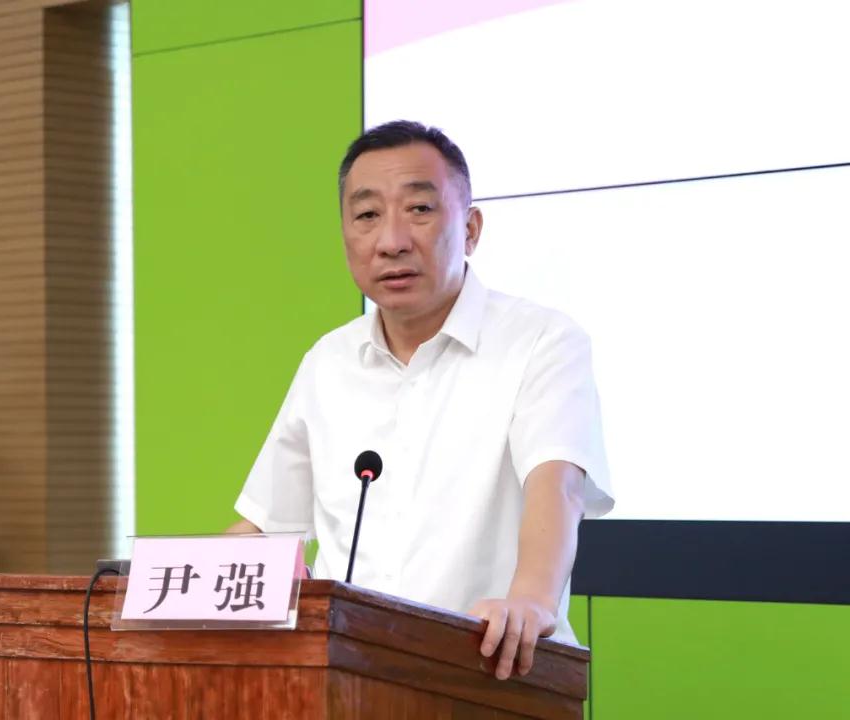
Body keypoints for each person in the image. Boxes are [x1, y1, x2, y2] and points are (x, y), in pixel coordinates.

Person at [228, 120, 613, 680]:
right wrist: (150, 587)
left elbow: (557, 485)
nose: (391, 240)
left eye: (419, 209)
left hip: (487, 674)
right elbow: (264, 529)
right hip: (342, 680)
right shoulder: (327, 361)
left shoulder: (541, 341)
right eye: (367, 215)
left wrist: (531, 600)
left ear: (471, 229)